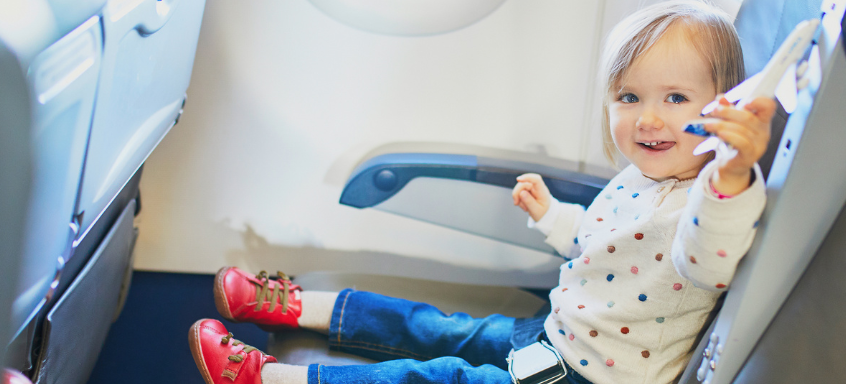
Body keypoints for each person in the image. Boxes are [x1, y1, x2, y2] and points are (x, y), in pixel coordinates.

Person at [188, 1, 777, 383]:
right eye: (629, 97)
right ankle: (293, 307)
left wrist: (730, 175)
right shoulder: (643, 175)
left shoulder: (709, 198)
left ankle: (264, 378)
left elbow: (706, 259)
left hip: (586, 378)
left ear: (724, 107)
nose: (648, 119)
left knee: (438, 375)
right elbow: (604, 245)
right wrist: (553, 216)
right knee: (435, 327)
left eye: (676, 98)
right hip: (555, 335)